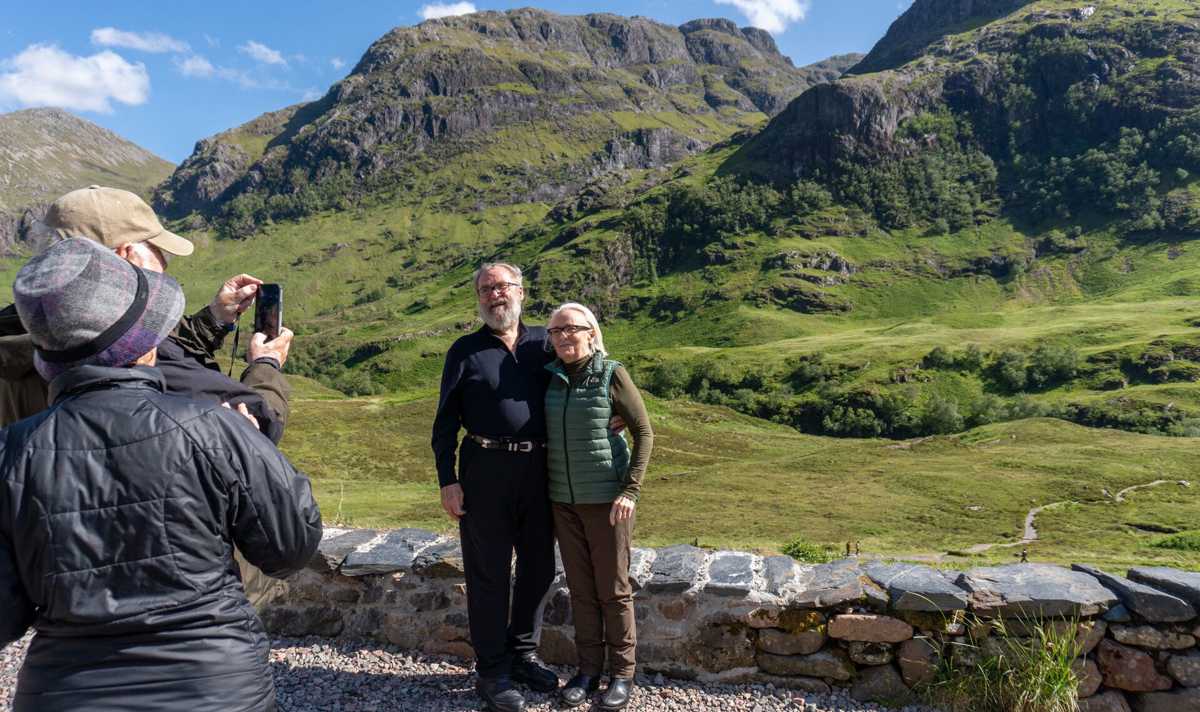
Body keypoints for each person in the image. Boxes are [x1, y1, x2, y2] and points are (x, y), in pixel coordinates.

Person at [0, 238, 323, 712]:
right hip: (215, 686)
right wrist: (253, 445)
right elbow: (290, 548)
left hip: (65, 691)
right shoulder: (214, 428)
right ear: (146, 347)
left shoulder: (10, 454)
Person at [0, 185, 293, 443]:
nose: (165, 265)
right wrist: (266, 365)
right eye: (158, 251)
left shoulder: (19, 331)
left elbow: (166, 350)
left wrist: (212, 320)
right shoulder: (126, 355)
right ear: (125, 256)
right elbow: (258, 425)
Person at [432, 262, 561, 712]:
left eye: (502, 287)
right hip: (483, 471)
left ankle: (523, 654)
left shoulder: (546, 342)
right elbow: (445, 422)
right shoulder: (465, 350)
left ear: (521, 292)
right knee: (488, 573)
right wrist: (448, 480)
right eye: (485, 289)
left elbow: (589, 373)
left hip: (541, 470)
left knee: (539, 567)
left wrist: (615, 413)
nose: (494, 295)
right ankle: (491, 671)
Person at [543, 302, 652, 711]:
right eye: (555, 331)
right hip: (563, 501)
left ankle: (622, 674)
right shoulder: (550, 377)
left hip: (607, 501)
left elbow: (643, 431)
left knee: (614, 590)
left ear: (591, 332)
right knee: (581, 591)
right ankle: (587, 671)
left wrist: (630, 490)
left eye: (571, 328)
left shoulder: (611, 373)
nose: (563, 337)